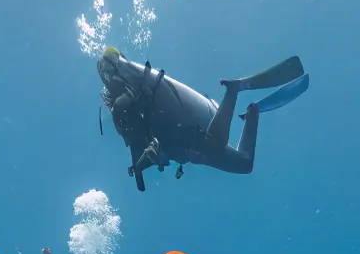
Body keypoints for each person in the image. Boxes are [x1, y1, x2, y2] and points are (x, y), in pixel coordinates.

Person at [97, 47, 309, 191]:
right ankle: (253, 112)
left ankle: (234, 90)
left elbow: (134, 132)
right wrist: (141, 167)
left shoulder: (129, 98)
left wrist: (140, 166)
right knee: (244, 164)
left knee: (216, 144)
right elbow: (141, 144)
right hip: (188, 149)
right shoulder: (133, 103)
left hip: (190, 136)